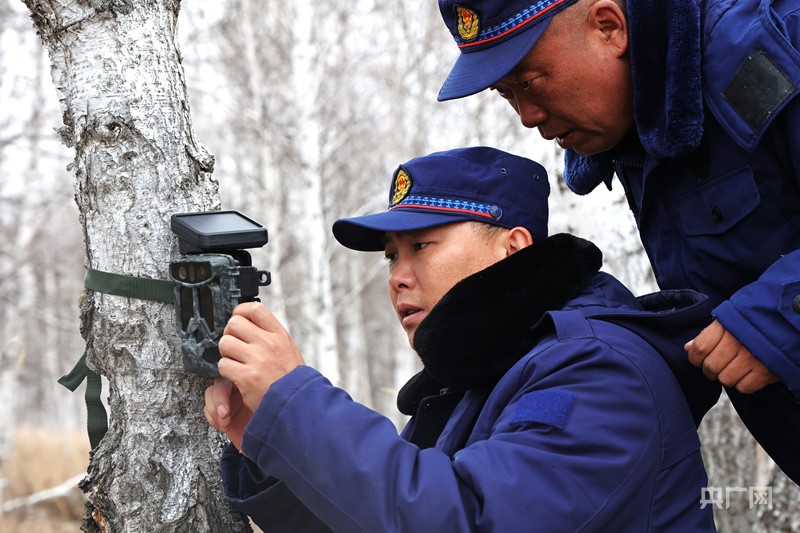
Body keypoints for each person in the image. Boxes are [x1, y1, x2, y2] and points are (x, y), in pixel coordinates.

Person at [204, 146, 716, 531]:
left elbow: (464, 519)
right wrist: (273, 445)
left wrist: (297, 405)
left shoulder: (600, 371)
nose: (397, 276)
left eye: (420, 245)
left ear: (511, 250)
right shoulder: (479, 378)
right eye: (390, 255)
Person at [435, 0, 800, 482]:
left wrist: (780, 313)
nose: (526, 116)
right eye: (507, 94)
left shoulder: (770, 41)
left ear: (609, 28)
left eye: (528, 81)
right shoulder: (643, 132)